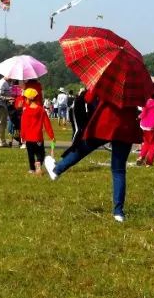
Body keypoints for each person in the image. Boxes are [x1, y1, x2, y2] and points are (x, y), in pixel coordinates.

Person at [43, 87, 140, 223]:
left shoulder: (109, 78)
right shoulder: (136, 82)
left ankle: (57, 169)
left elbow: (88, 98)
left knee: (83, 148)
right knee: (119, 171)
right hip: (127, 126)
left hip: (106, 122)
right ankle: (118, 212)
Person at [19, 87, 54, 175]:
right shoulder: (41, 110)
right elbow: (47, 124)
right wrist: (52, 136)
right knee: (40, 153)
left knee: (30, 154)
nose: (24, 100)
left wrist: (22, 136)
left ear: (29, 99)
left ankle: (31, 169)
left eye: (25, 98)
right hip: (38, 137)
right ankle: (38, 162)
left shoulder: (26, 111)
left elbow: (23, 125)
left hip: (29, 138)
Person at [135, 84, 154, 167]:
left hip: (144, 125)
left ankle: (141, 157)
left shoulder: (146, 102)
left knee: (146, 142)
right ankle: (149, 162)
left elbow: (143, 114)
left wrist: (138, 118)